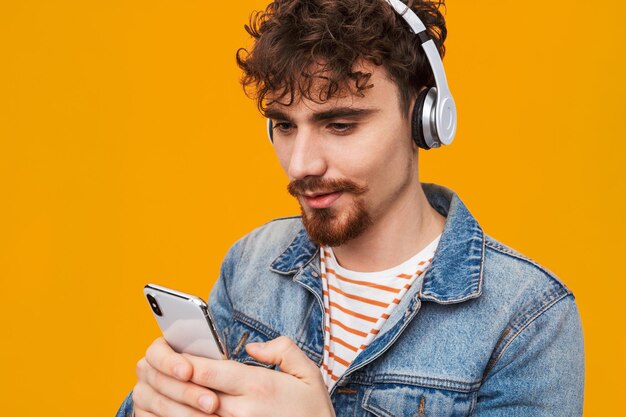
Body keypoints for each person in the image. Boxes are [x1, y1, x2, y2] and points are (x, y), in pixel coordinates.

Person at [117, 0, 584, 415]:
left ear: (424, 121)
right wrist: (149, 405)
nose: (301, 164)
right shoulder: (251, 261)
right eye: (283, 125)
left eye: (339, 124)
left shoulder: (527, 320)